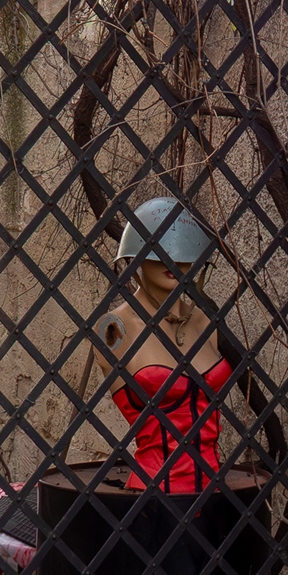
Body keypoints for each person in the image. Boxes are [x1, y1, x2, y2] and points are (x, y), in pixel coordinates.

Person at [93, 197, 230, 493]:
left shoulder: (204, 322)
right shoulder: (116, 328)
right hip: (152, 497)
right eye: (160, 251)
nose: (174, 260)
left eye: (183, 250)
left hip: (216, 496)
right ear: (137, 256)